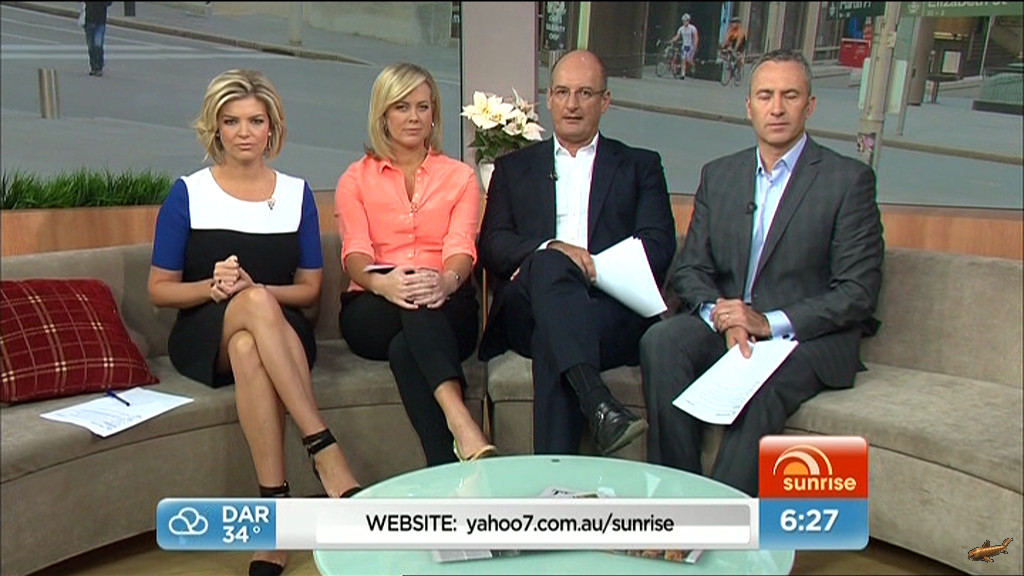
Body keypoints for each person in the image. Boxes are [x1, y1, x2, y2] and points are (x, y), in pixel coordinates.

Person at [640, 49, 884, 497]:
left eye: (790, 96)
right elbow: (690, 269)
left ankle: (720, 516)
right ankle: (678, 495)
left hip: (804, 339)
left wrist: (766, 323)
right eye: (766, 96)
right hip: (729, 325)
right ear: (748, 106)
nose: (777, 108)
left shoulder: (847, 180)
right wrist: (725, 316)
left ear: (810, 106)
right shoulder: (720, 175)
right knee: (662, 342)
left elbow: (857, 291)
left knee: (762, 381)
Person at [148, 69, 363, 576]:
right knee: (250, 313)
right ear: (215, 129)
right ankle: (324, 449)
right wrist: (213, 288)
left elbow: (309, 291)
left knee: (252, 340)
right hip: (204, 331)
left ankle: (273, 521)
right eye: (231, 121)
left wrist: (254, 291)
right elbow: (159, 289)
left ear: (272, 129)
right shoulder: (188, 193)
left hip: (282, 332)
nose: (244, 132)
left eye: (255, 121)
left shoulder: (296, 193)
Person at [477, 50, 677, 456]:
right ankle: (598, 401)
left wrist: (592, 268)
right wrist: (552, 251)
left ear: (605, 101)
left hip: (609, 309)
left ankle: (557, 476)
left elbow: (658, 246)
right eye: (563, 92)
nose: (572, 104)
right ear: (549, 99)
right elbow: (492, 244)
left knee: (555, 333)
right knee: (550, 263)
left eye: (585, 93)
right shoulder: (514, 168)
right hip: (527, 306)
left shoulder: (639, 166)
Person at [334, 62, 494, 466]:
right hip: (373, 305)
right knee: (412, 300)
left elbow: (461, 246)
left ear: (434, 114)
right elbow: (355, 254)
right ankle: (463, 422)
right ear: (383, 114)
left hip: (447, 302)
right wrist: (383, 284)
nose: (414, 117)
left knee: (409, 344)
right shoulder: (355, 179)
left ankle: (445, 465)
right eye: (402, 107)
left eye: (423, 107)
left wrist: (447, 281)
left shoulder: (459, 177)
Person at [82, 1, 112, 76]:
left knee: (98, 44)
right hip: (89, 20)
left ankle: (99, 66)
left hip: (100, 20)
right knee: (91, 46)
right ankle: (93, 66)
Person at [668, 13, 699, 80]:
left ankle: (693, 66)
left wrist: (695, 46)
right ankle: (683, 74)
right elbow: (678, 36)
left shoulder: (692, 28)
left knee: (689, 59)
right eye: (684, 21)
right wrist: (672, 40)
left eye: (686, 21)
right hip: (684, 46)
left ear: (688, 21)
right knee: (683, 60)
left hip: (690, 46)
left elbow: (695, 37)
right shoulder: (681, 29)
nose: (685, 22)